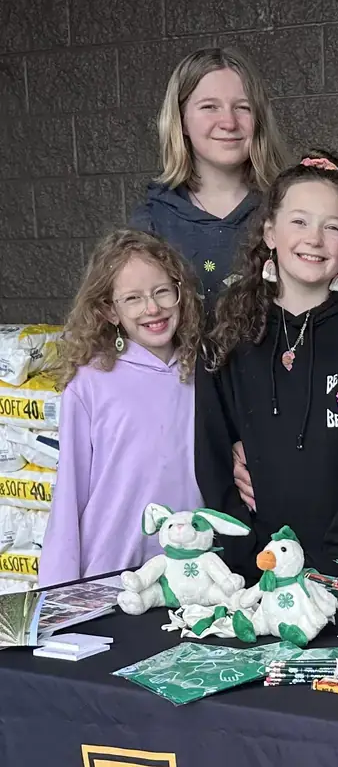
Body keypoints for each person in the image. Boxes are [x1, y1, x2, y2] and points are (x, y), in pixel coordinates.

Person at [196, 149, 338, 586]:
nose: (314, 238)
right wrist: (247, 560)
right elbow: (212, 455)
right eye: (299, 221)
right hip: (253, 577)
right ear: (270, 231)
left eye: (332, 227)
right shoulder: (230, 329)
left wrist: (336, 571)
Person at [37, 230, 205, 586]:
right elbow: (69, 492)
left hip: (190, 572)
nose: (152, 308)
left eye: (162, 291)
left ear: (180, 293)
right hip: (111, 576)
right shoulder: (91, 382)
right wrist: (58, 592)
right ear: (109, 310)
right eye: (133, 298)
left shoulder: (202, 372)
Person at [131, 47, 289, 313]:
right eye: (209, 107)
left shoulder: (288, 206)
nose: (228, 122)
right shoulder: (151, 221)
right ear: (181, 119)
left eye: (242, 107)